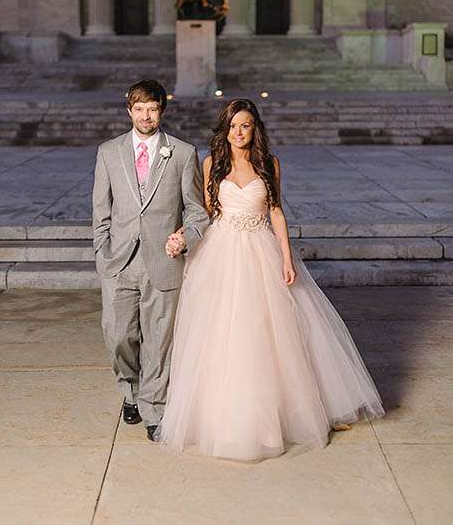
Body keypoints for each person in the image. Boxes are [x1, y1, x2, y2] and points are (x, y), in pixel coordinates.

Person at [159, 98, 384, 461]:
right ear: (225, 130)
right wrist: (182, 236)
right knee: (222, 332)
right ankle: (224, 416)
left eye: (245, 125)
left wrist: (285, 256)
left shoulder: (269, 164)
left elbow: (276, 211)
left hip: (260, 248)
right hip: (221, 252)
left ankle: (278, 414)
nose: (238, 132)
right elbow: (203, 213)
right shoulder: (211, 163)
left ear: (255, 129)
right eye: (233, 126)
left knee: (268, 332)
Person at [91, 80, 210, 442]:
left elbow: (197, 213)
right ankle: (129, 390)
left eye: (153, 108)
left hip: (163, 261)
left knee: (159, 340)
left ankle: (153, 408)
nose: (146, 115)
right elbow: (101, 211)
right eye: (139, 108)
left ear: (162, 111)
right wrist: (102, 253)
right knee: (119, 335)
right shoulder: (109, 152)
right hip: (119, 262)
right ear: (129, 110)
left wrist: (184, 237)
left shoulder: (182, 153)